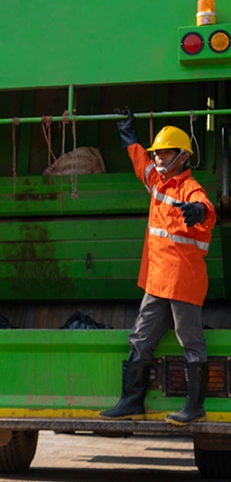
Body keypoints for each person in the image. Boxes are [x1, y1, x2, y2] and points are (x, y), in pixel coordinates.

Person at [99, 108, 216, 426]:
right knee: (140, 337)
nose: (159, 158)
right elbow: (141, 163)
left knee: (190, 340)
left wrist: (199, 212)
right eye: (158, 153)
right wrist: (128, 134)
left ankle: (194, 407)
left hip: (183, 280)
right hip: (158, 281)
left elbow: (206, 206)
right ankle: (131, 402)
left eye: (165, 153)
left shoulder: (189, 188)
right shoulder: (157, 182)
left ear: (182, 156)